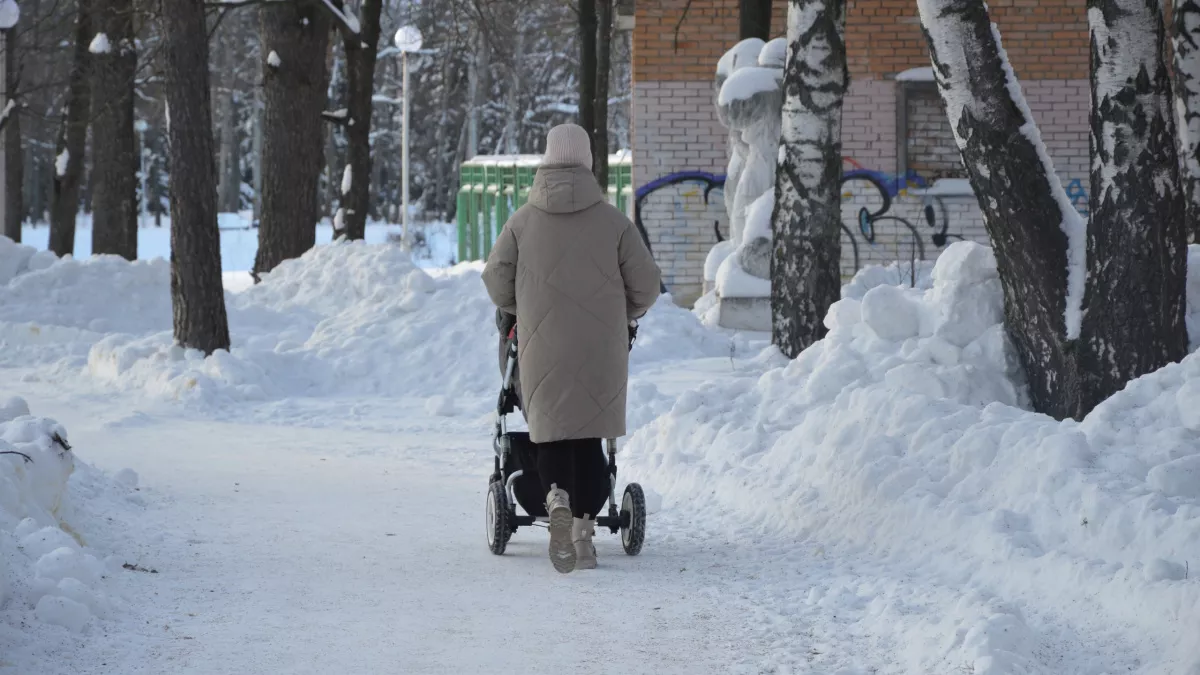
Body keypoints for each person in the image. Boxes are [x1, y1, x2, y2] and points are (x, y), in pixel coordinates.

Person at [482, 124, 661, 574]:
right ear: (588, 163)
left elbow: (496, 281)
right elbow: (646, 287)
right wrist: (620, 313)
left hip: (542, 348)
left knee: (551, 433)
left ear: (546, 161)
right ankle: (583, 538)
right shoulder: (615, 223)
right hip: (601, 350)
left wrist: (524, 307)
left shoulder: (521, 222)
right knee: (589, 436)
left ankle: (555, 497)